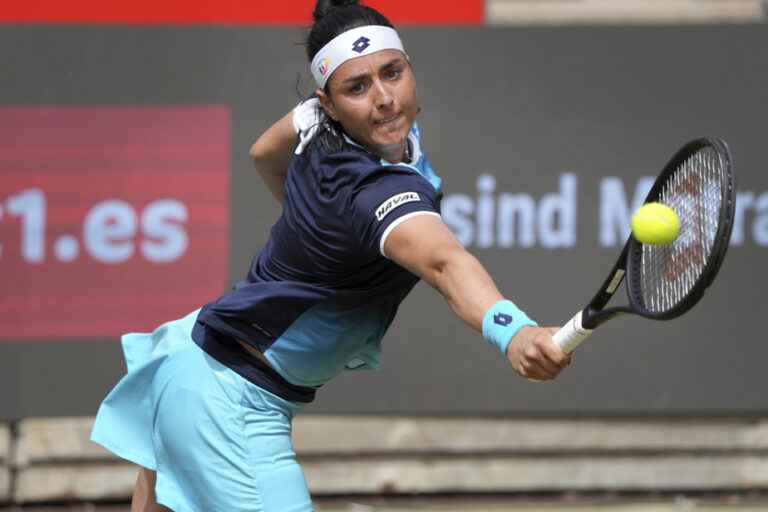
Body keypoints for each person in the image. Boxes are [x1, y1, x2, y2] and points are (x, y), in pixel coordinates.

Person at [91, 1, 571, 510]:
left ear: (410, 71)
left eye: (393, 73)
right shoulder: (372, 193)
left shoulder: (318, 123)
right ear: (330, 101)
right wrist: (512, 329)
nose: (384, 99)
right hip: (230, 403)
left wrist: (318, 229)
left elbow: (262, 153)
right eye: (357, 87)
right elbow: (444, 263)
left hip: (191, 356)